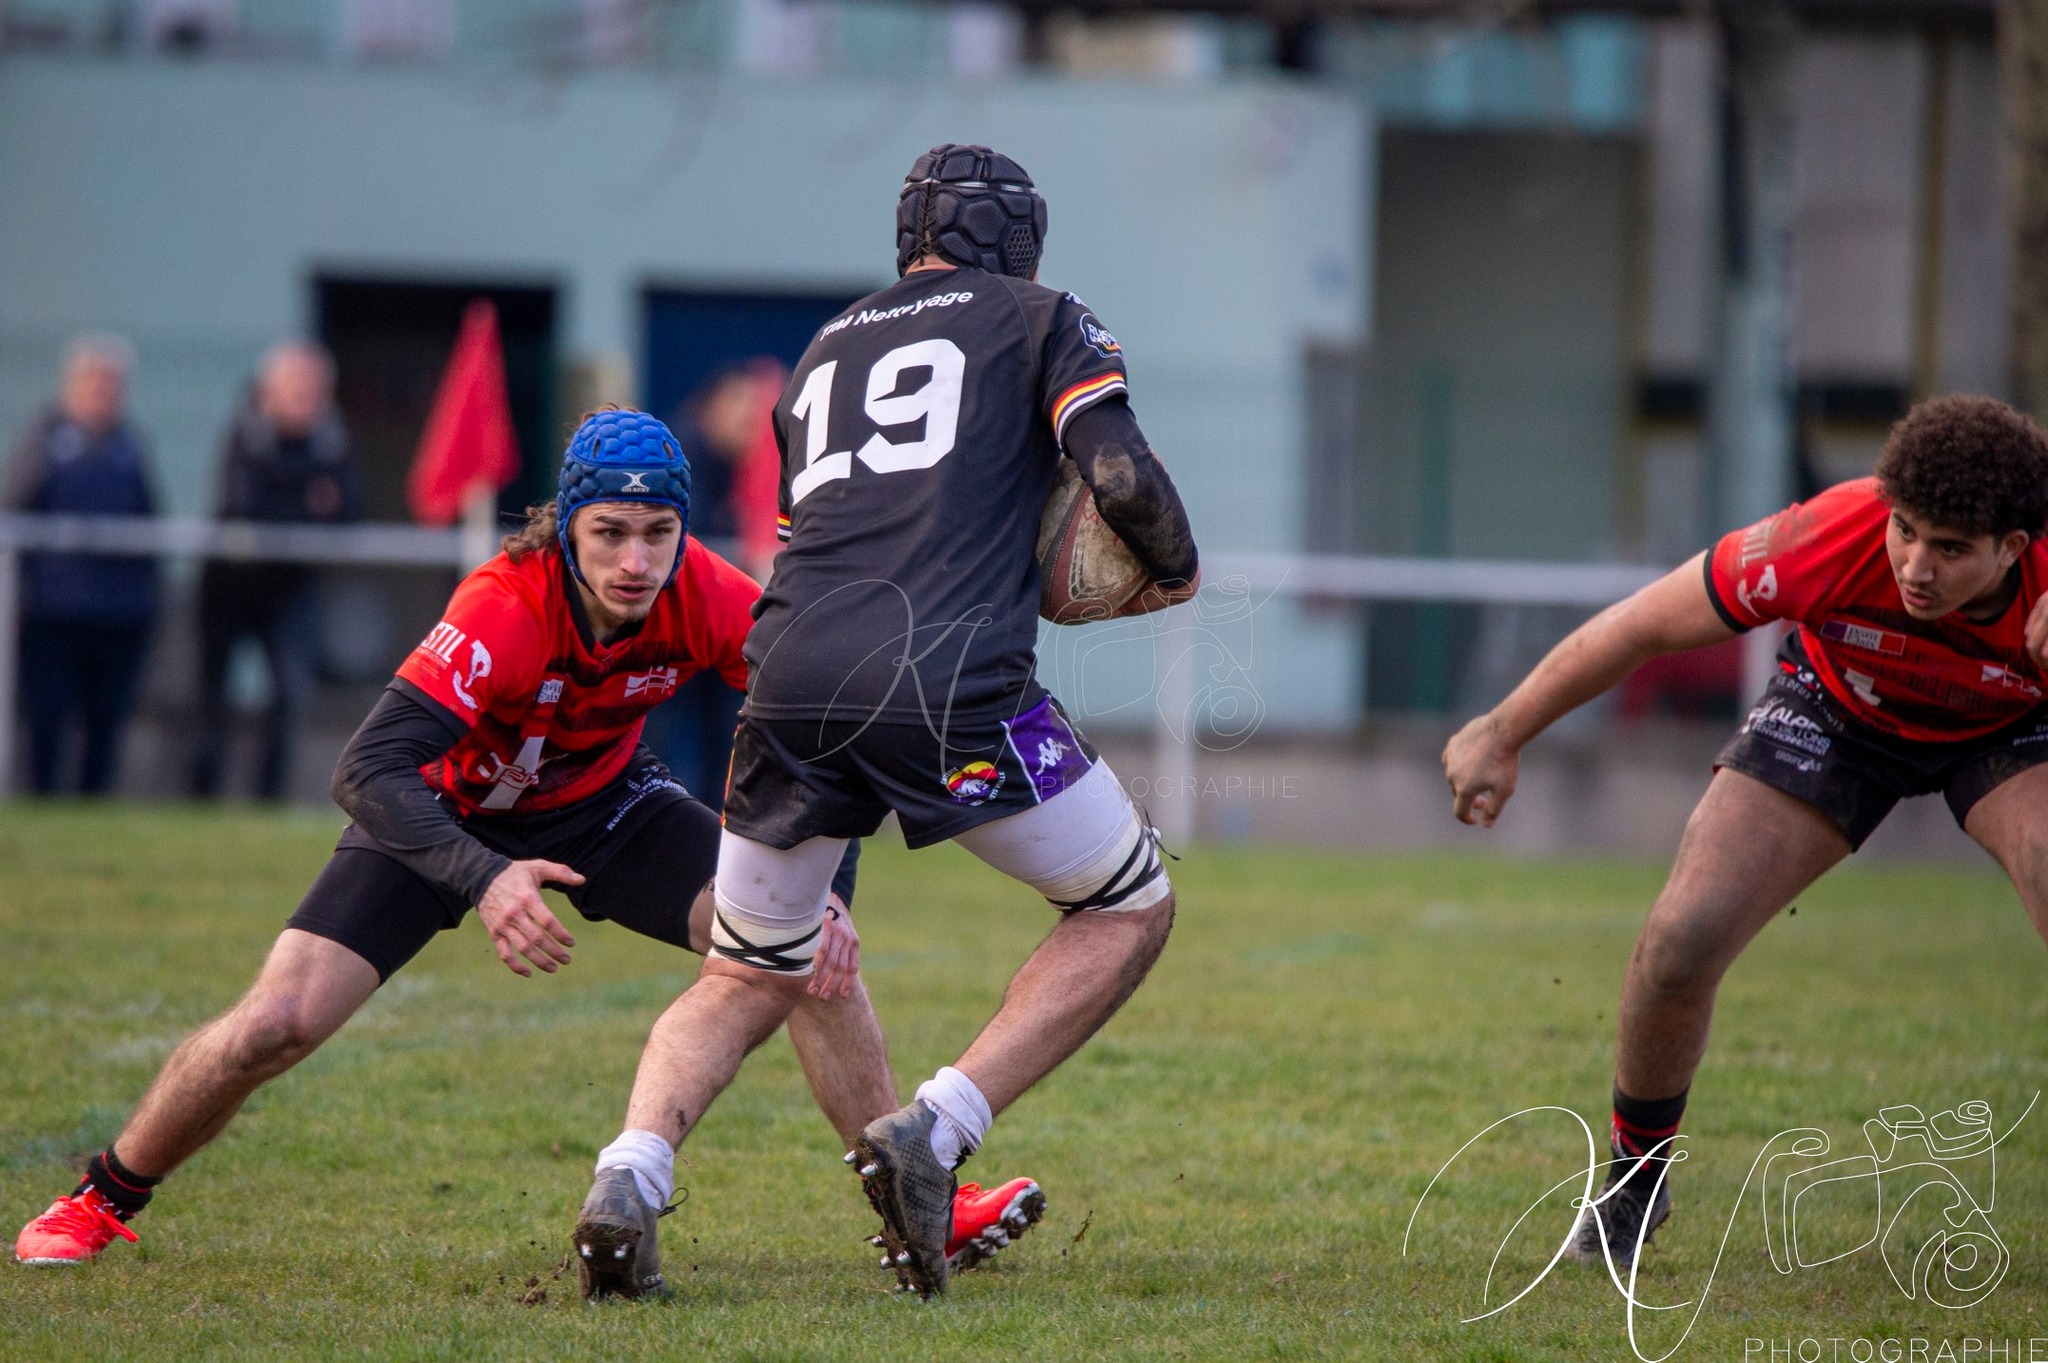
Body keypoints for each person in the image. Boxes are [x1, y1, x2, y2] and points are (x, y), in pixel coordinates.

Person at [14, 408, 1042, 1285]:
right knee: (276, 1022)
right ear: (565, 529)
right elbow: (365, 772)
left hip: (608, 809)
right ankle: (102, 1196)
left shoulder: (708, 591)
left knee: (806, 954)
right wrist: (484, 873)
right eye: (608, 534)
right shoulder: (502, 609)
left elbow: (829, 722)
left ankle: (920, 1208)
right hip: (441, 821)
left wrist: (830, 889)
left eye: (657, 532)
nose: (636, 561)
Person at [570, 144, 1201, 1301]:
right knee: (1126, 904)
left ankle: (628, 1172)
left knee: (751, 968)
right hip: (947, 672)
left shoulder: (820, 352)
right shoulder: (1041, 314)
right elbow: (1117, 475)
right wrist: (1173, 564)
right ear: (1019, 243)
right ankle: (935, 1130)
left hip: (787, 669)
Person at [1441, 394, 2048, 1270]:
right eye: (1906, 531)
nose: (1915, 565)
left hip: (2010, 728)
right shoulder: (1828, 536)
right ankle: (1632, 1186)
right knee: (1683, 936)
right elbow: (1644, 623)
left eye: (1950, 549)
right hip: (1840, 710)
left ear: (2015, 549)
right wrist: (1503, 729)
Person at [190, 340, 365, 801]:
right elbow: (244, 504)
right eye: (298, 389)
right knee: (212, 697)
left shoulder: (332, 439)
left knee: (289, 695)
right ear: (270, 389)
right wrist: (309, 500)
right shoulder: (245, 433)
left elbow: (350, 508)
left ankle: (268, 799)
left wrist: (301, 502)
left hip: (290, 589)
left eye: (316, 390)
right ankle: (203, 795)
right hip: (228, 587)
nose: (308, 400)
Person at [2, 335, 159, 795]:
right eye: (94, 382)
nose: (103, 392)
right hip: (51, 610)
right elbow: (15, 510)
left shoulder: (131, 447)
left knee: (106, 719)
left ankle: (95, 800)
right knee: (48, 716)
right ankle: (42, 798)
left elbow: (149, 523)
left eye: (112, 384)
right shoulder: (44, 440)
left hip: (118, 613)